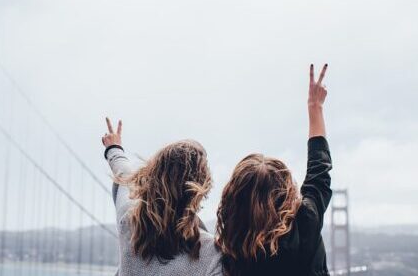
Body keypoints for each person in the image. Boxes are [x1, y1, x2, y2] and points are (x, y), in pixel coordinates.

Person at [215, 63, 333, 276]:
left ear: (234, 200)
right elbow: (319, 173)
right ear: (286, 192)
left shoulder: (231, 249)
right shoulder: (306, 223)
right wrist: (315, 107)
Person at [101, 118, 222, 276]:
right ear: (202, 189)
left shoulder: (129, 219)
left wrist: (114, 148)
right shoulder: (212, 254)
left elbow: (124, 172)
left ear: (152, 175)